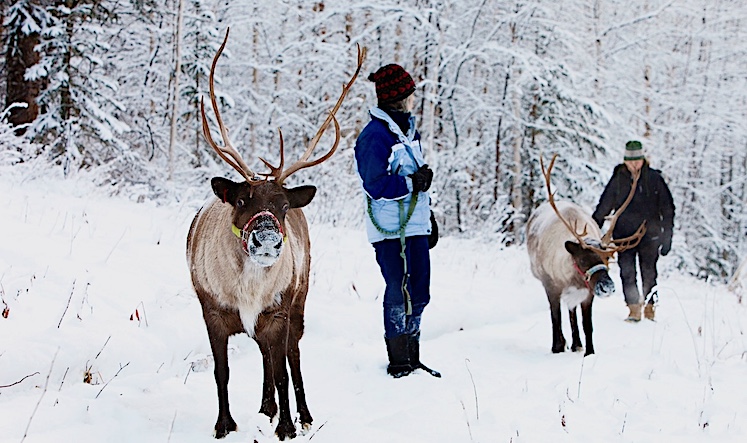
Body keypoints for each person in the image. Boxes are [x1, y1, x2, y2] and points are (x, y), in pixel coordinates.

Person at [354, 63, 440, 378]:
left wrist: (426, 216)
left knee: (420, 291)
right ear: (399, 97)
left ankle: (413, 354)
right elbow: (375, 184)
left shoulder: (405, 130)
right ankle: (398, 360)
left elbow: (410, 174)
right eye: (410, 93)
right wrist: (412, 183)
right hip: (389, 230)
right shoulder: (374, 136)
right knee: (398, 287)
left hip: (412, 226)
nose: (414, 99)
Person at [592, 140, 675, 322]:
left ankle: (650, 308)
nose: (634, 165)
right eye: (630, 162)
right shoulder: (619, 179)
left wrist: (667, 236)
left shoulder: (654, 179)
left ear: (642, 160)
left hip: (650, 235)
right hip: (624, 236)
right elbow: (605, 203)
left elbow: (667, 208)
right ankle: (633, 308)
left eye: (637, 161)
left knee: (649, 273)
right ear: (625, 161)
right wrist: (594, 224)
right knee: (627, 272)